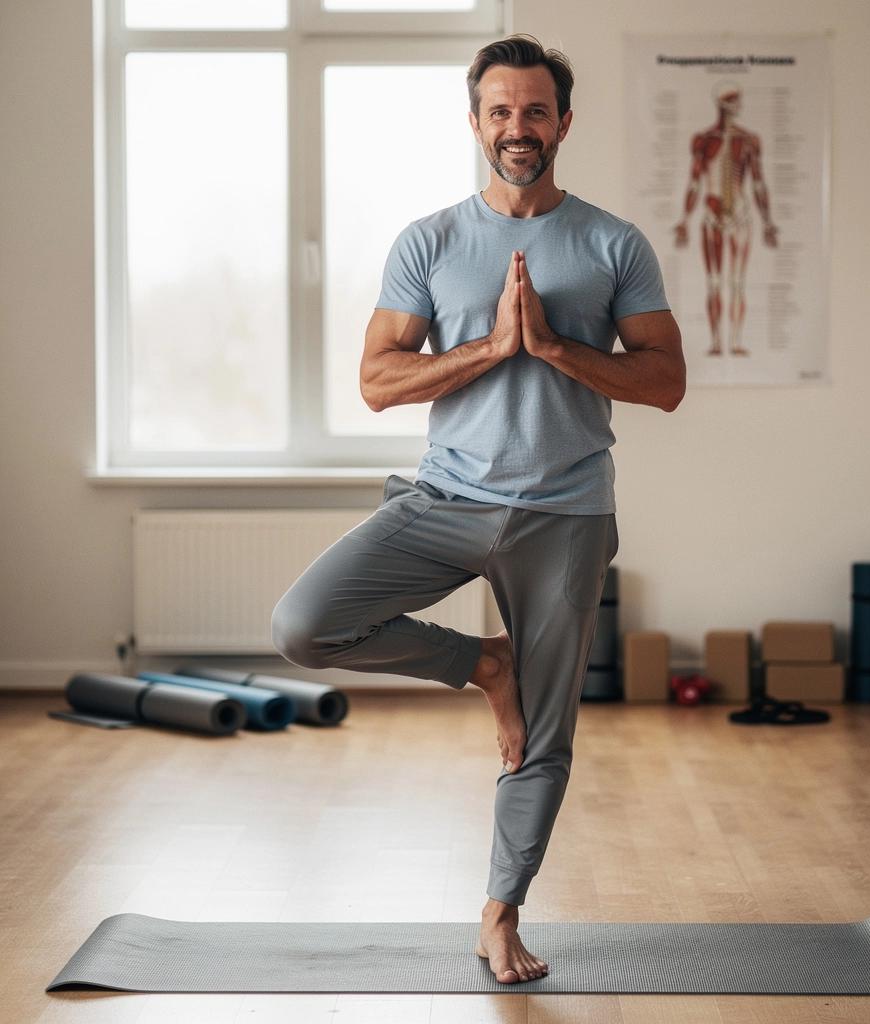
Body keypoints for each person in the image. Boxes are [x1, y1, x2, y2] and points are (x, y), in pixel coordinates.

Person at [271, 34, 685, 985]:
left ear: (564, 123)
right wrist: (493, 350)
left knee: (546, 734)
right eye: (499, 111)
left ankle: (500, 915)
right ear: (474, 123)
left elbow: (664, 382)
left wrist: (554, 349)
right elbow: (377, 381)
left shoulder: (611, 243)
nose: (517, 128)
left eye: (535, 111)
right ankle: (480, 663)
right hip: (447, 498)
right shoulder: (432, 241)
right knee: (305, 624)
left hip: (566, 512)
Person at [673, 81, 779, 356]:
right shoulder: (704, 141)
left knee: (738, 282)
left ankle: (735, 340)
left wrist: (767, 221)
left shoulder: (748, 141)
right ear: (723, 104)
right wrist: (684, 219)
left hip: (741, 215)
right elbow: (695, 183)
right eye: (734, 100)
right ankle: (717, 342)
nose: (739, 106)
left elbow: (758, 183)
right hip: (712, 216)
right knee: (715, 282)